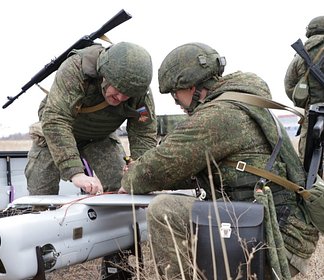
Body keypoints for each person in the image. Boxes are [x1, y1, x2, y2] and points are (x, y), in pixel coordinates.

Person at [120, 42, 319, 279]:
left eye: (175, 94)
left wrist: (131, 176)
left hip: (275, 241)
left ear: (191, 87)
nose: (177, 102)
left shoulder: (220, 115)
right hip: (279, 230)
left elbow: (160, 166)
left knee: (164, 211)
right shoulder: (244, 103)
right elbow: (199, 169)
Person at [24, 41, 157, 197]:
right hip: (54, 136)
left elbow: (143, 133)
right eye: (118, 89)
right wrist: (75, 173)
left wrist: (138, 175)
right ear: (104, 75)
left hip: (99, 136)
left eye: (127, 93)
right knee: (41, 195)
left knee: (123, 187)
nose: (121, 97)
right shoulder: (75, 69)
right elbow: (56, 119)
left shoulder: (139, 91)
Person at [284, 16, 324, 161]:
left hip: (313, 115)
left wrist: (307, 102)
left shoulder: (302, 54)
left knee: (308, 163)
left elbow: (289, 86)